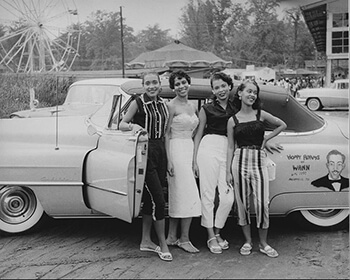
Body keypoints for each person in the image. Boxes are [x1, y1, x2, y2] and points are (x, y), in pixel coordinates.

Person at [226, 80, 287, 258]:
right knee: (242, 204)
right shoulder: (233, 120)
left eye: (255, 93)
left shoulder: (260, 114)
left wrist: (266, 139)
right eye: (249, 91)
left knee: (262, 204)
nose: (252, 95)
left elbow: (282, 124)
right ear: (240, 94)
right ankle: (247, 241)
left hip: (259, 160)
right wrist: (228, 171)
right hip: (239, 159)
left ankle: (263, 243)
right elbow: (230, 146)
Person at [119, 72, 172, 262]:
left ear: (160, 84)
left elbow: (166, 133)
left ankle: (145, 241)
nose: (151, 86)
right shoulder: (137, 103)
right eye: (148, 83)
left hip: (161, 152)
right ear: (143, 85)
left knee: (150, 199)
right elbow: (122, 123)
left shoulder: (164, 104)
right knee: (159, 200)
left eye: (154, 83)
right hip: (145, 153)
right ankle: (163, 244)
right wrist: (136, 128)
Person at [193, 72, 235, 254]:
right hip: (208, 147)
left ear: (229, 86)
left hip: (228, 149)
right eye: (216, 87)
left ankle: (218, 231)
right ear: (212, 90)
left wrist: (267, 140)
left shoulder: (237, 108)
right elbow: (198, 134)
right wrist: (194, 160)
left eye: (223, 86)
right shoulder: (207, 109)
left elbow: (251, 124)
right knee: (208, 194)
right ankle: (210, 235)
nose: (220, 90)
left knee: (227, 198)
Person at [165, 70, 201, 253]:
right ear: (173, 88)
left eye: (183, 82)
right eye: (177, 84)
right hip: (176, 149)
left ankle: (174, 236)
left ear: (189, 83)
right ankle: (182, 238)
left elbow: (195, 134)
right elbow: (166, 134)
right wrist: (169, 161)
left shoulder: (193, 106)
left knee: (183, 193)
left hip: (189, 149)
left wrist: (195, 160)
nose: (181, 86)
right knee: (183, 193)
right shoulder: (171, 106)